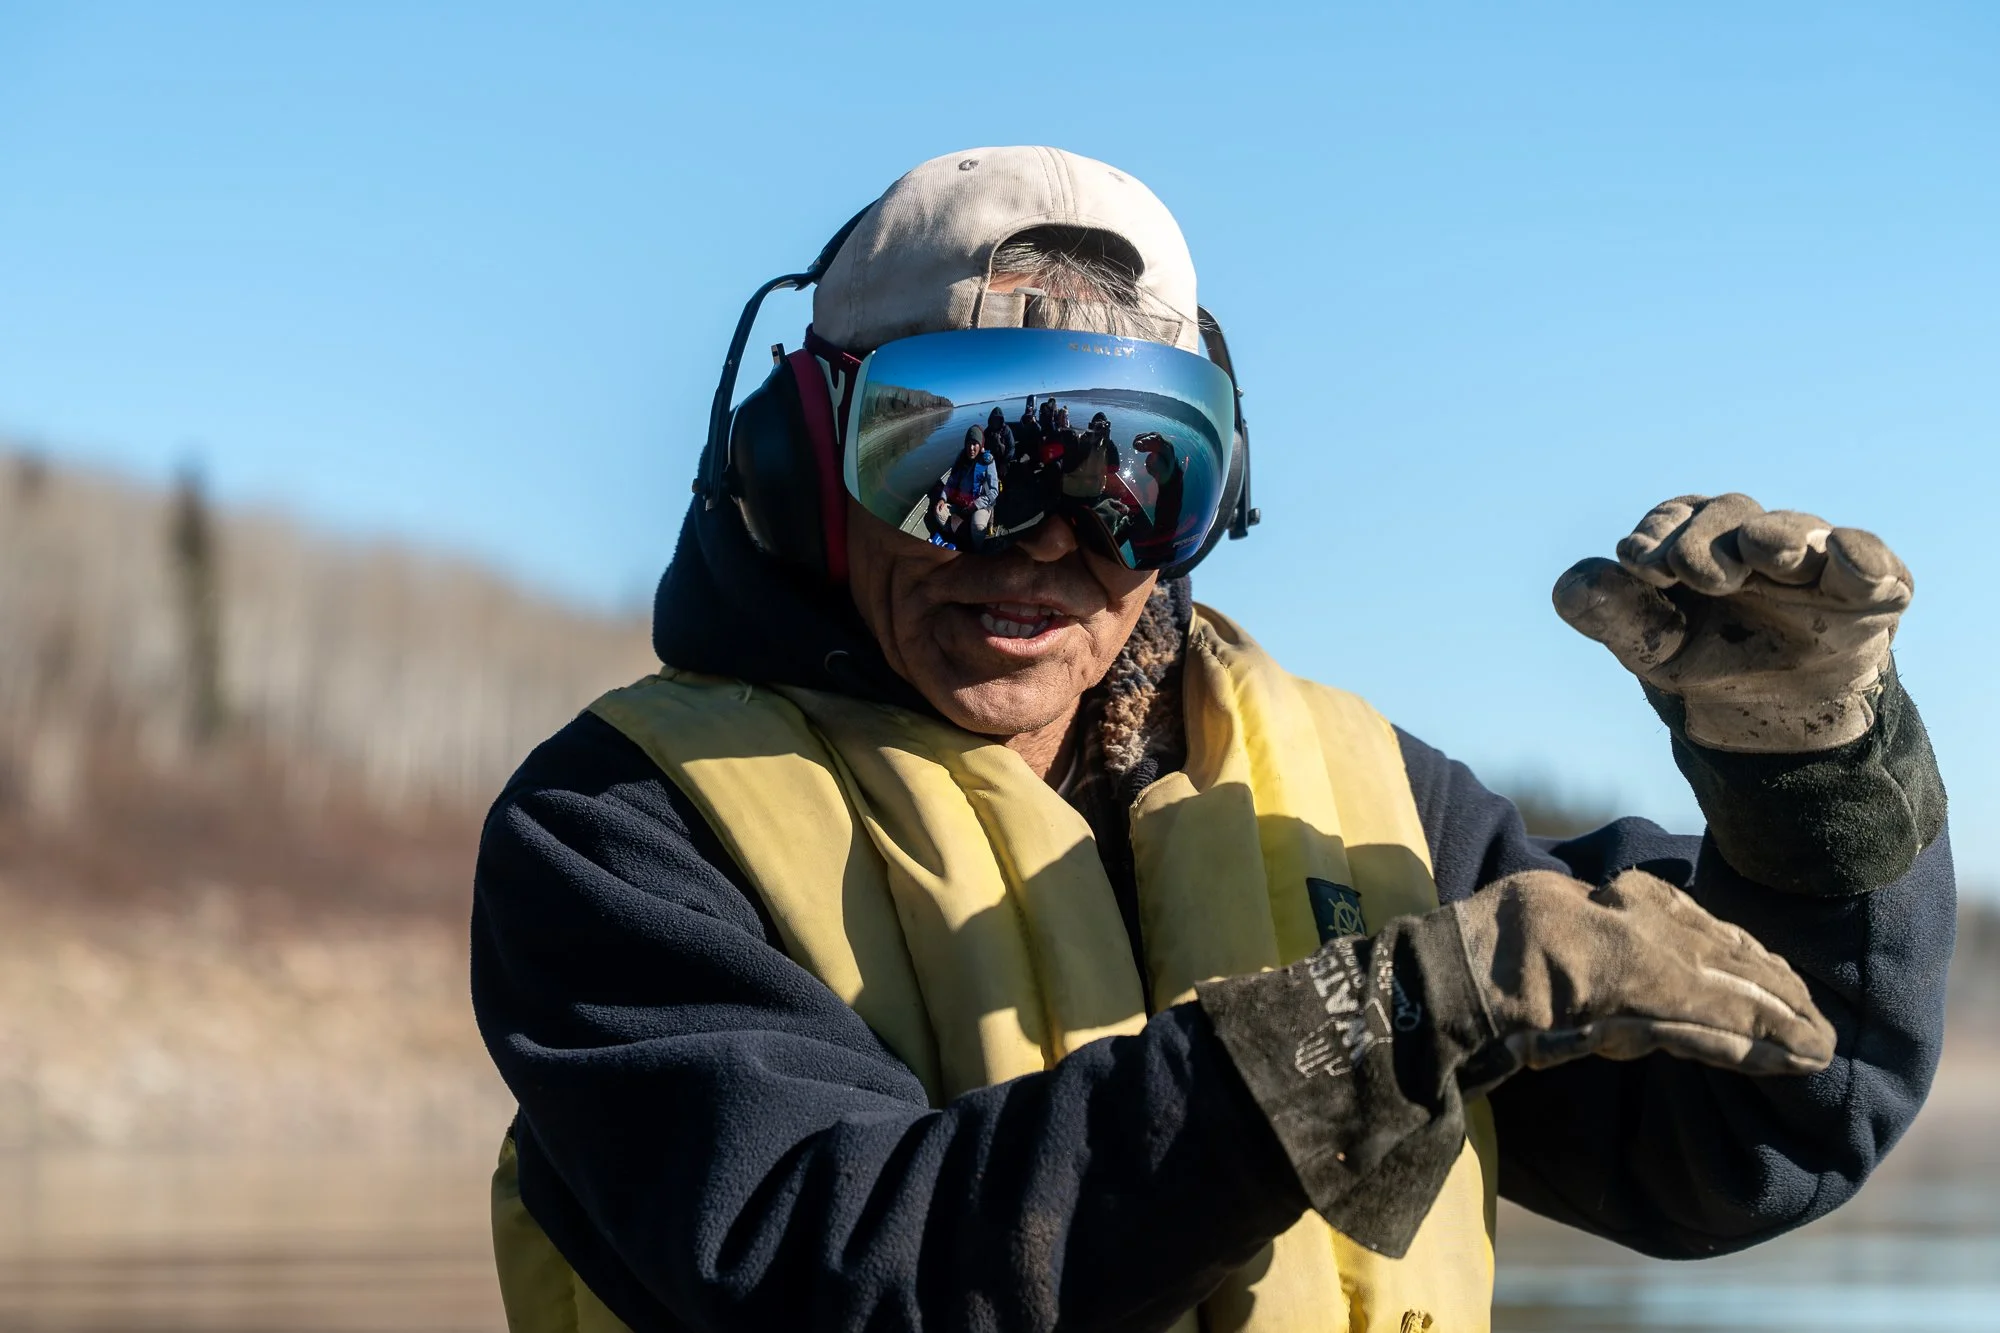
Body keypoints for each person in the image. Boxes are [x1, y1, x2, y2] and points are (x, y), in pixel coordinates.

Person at [473, 147, 1953, 1333]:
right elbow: (850, 1268)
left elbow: (1754, 1138)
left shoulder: (1374, 795)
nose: (1051, 541)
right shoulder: (625, 830)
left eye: (1137, 472)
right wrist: (1379, 1029)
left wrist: (1808, 777)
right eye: (959, 461)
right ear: (803, 462)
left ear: (1210, 499)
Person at [928, 425, 998, 550]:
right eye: (969, 444)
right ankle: (959, 535)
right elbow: (951, 482)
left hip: (980, 505)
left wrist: (975, 505)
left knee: (978, 526)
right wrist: (943, 498)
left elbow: (994, 491)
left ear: (981, 446)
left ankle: (976, 549)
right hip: (962, 503)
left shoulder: (988, 461)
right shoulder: (961, 458)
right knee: (938, 512)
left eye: (975, 444)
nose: (971, 448)